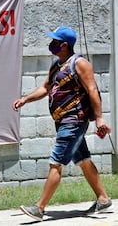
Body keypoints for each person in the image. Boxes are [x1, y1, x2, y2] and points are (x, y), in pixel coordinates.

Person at [12, 26, 112, 222]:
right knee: (83, 160)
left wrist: (99, 117)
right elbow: (45, 88)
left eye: (55, 41)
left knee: (56, 162)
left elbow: (92, 90)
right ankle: (103, 198)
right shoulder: (57, 65)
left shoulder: (80, 63)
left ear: (64, 45)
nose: (51, 44)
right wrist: (25, 99)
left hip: (74, 120)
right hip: (63, 121)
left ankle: (39, 208)